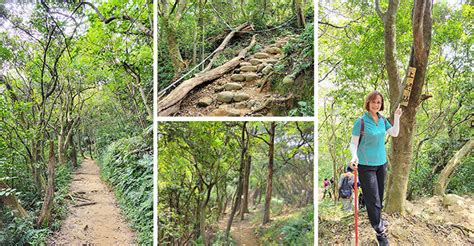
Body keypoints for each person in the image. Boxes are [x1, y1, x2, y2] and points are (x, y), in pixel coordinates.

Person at [349, 90, 402, 246]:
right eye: (373, 102)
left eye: (379, 102)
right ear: (368, 103)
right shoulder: (361, 122)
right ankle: (380, 232)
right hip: (366, 166)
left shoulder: (382, 120)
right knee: (373, 199)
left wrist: (397, 117)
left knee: (379, 195)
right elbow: (353, 143)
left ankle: (377, 218)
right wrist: (354, 156)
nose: (376, 105)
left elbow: (394, 133)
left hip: (381, 163)